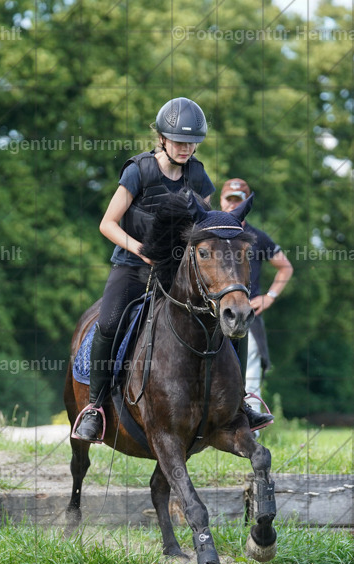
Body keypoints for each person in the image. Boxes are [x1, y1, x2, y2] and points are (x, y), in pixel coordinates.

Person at [72, 99, 273, 442]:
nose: (186, 148)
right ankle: (95, 407)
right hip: (133, 266)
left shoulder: (197, 174)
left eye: (192, 143)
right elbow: (107, 223)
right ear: (162, 138)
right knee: (108, 323)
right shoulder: (139, 171)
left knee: (227, 323)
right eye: (180, 142)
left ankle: (239, 403)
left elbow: (207, 224)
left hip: (178, 272)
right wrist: (140, 250)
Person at [219, 178, 293, 417]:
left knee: (249, 376)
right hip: (214, 314)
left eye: (237, 201)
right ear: (221, 201)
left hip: (247, 314)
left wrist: (269, 296)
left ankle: (251, 430)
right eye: (228, 199)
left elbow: (286, 267)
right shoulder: (210, 232)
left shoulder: (257, 237)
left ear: (245, 205)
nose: (232, 205)